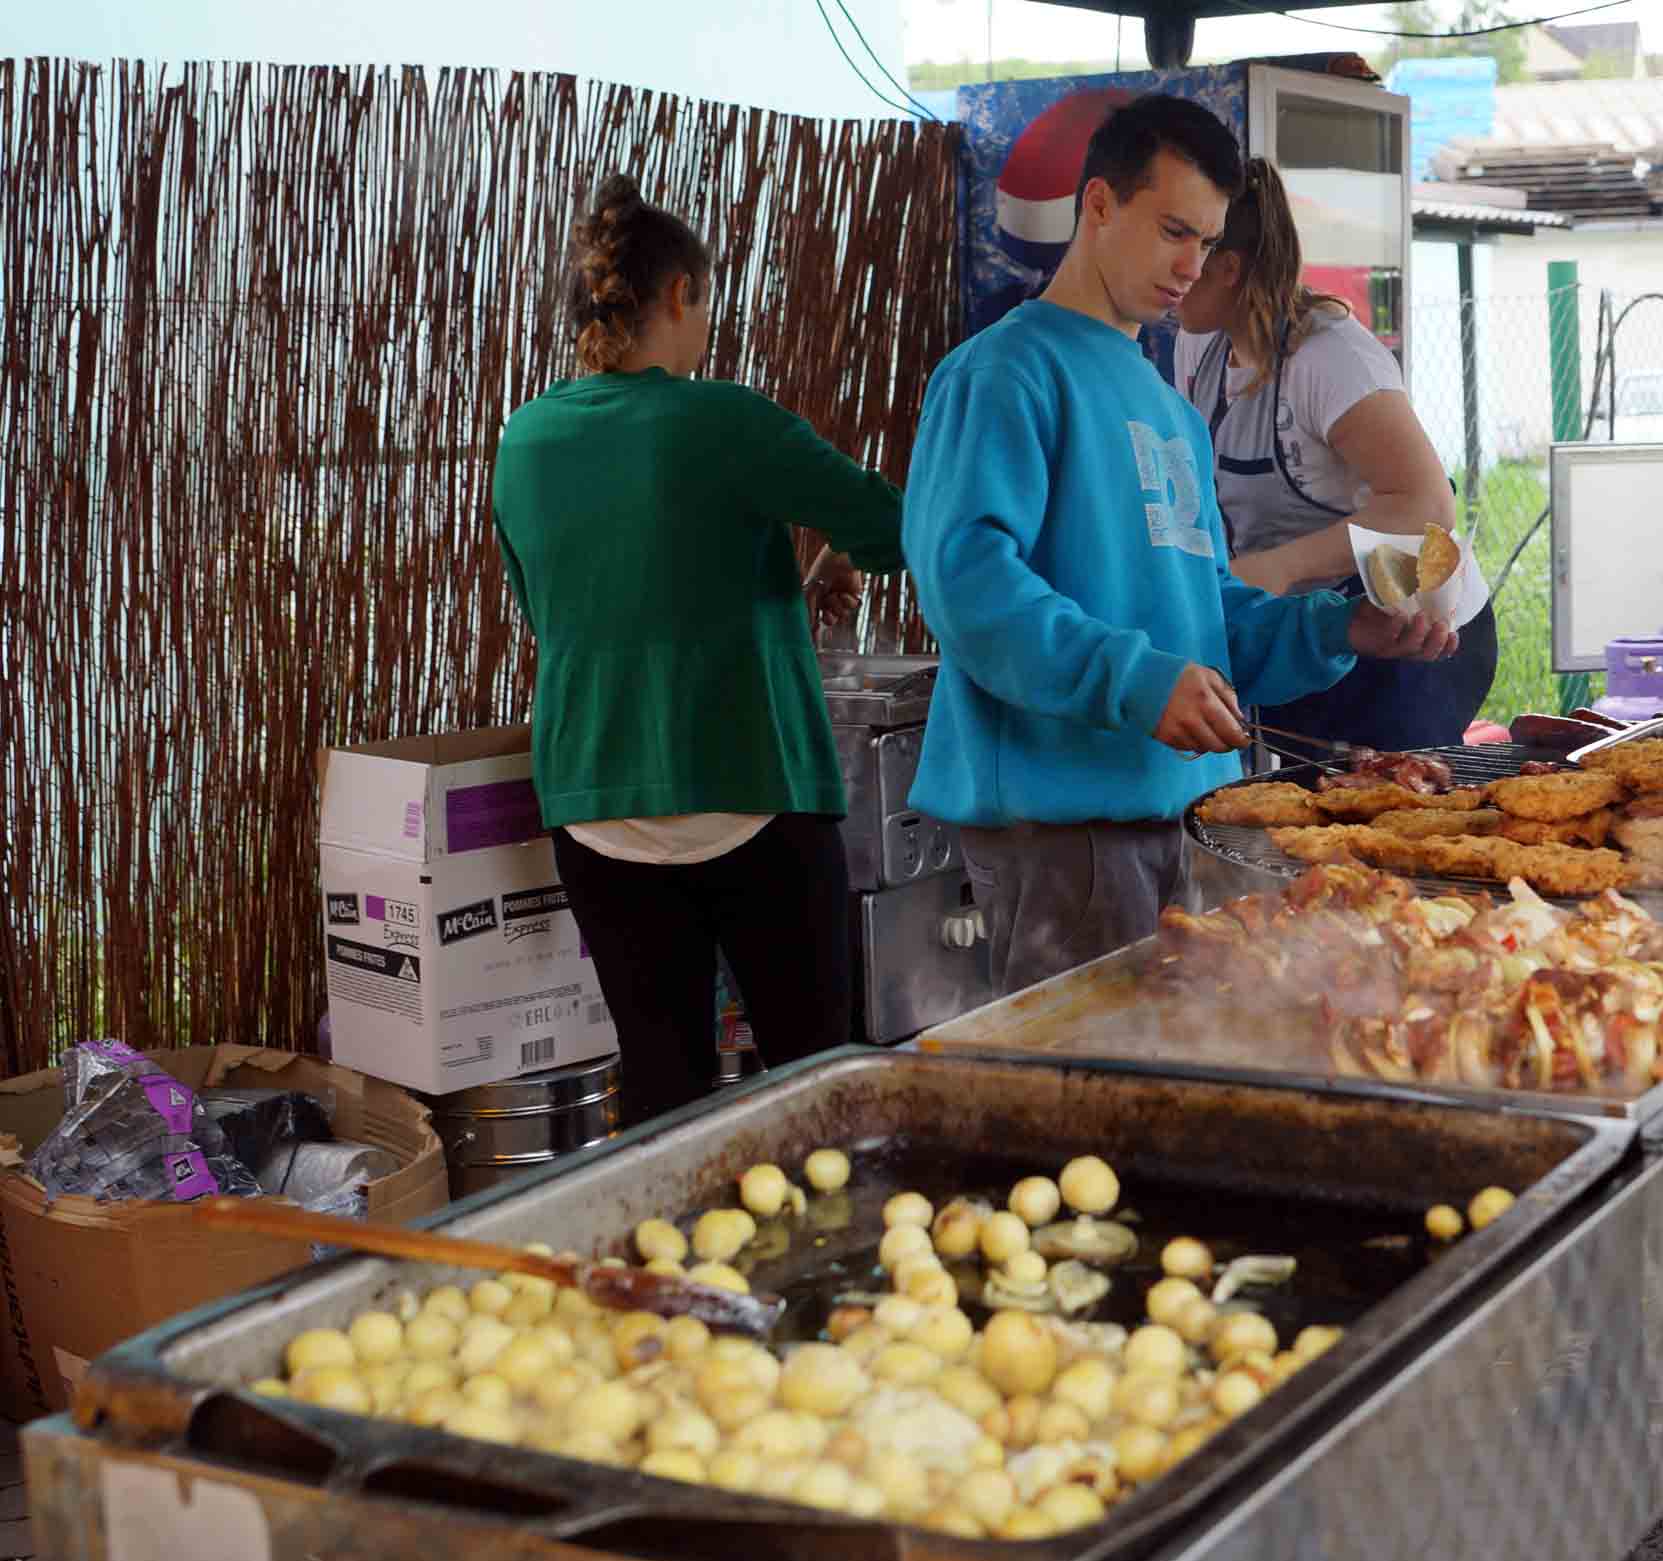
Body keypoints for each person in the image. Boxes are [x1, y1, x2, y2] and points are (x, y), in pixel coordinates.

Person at [903, 95, 1456, 994]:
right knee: (1085, 1072)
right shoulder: (1005, 372)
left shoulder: (1168, 409)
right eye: (1172, 231)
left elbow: (1204, 612)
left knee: (1177, 1057)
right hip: (1063, 827)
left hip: (1188, 815)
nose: (1190, 266)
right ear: (1098, 204)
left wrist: (1335, 628)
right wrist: (1134, 679)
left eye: (1207, 241)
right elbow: (970, 586)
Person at [491, 174, 906, 1126]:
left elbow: (558, 611)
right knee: (816, 1087)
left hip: (597, 810)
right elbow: (892, 526)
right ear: (680, 295)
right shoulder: (725, 418)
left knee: (662, 1098)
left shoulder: (525, 439)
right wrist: (840, 549)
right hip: (747, 790)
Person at [1172, 158, 1497, 751]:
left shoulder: (1331, 357)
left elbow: (1426, 505)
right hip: (1305, 631)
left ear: (1228, 268)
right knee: (1309, 796)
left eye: (1185, 247)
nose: (1172, 269)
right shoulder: (1199, 346)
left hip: (1408, 630)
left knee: (1390, 796)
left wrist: (1279, 567)